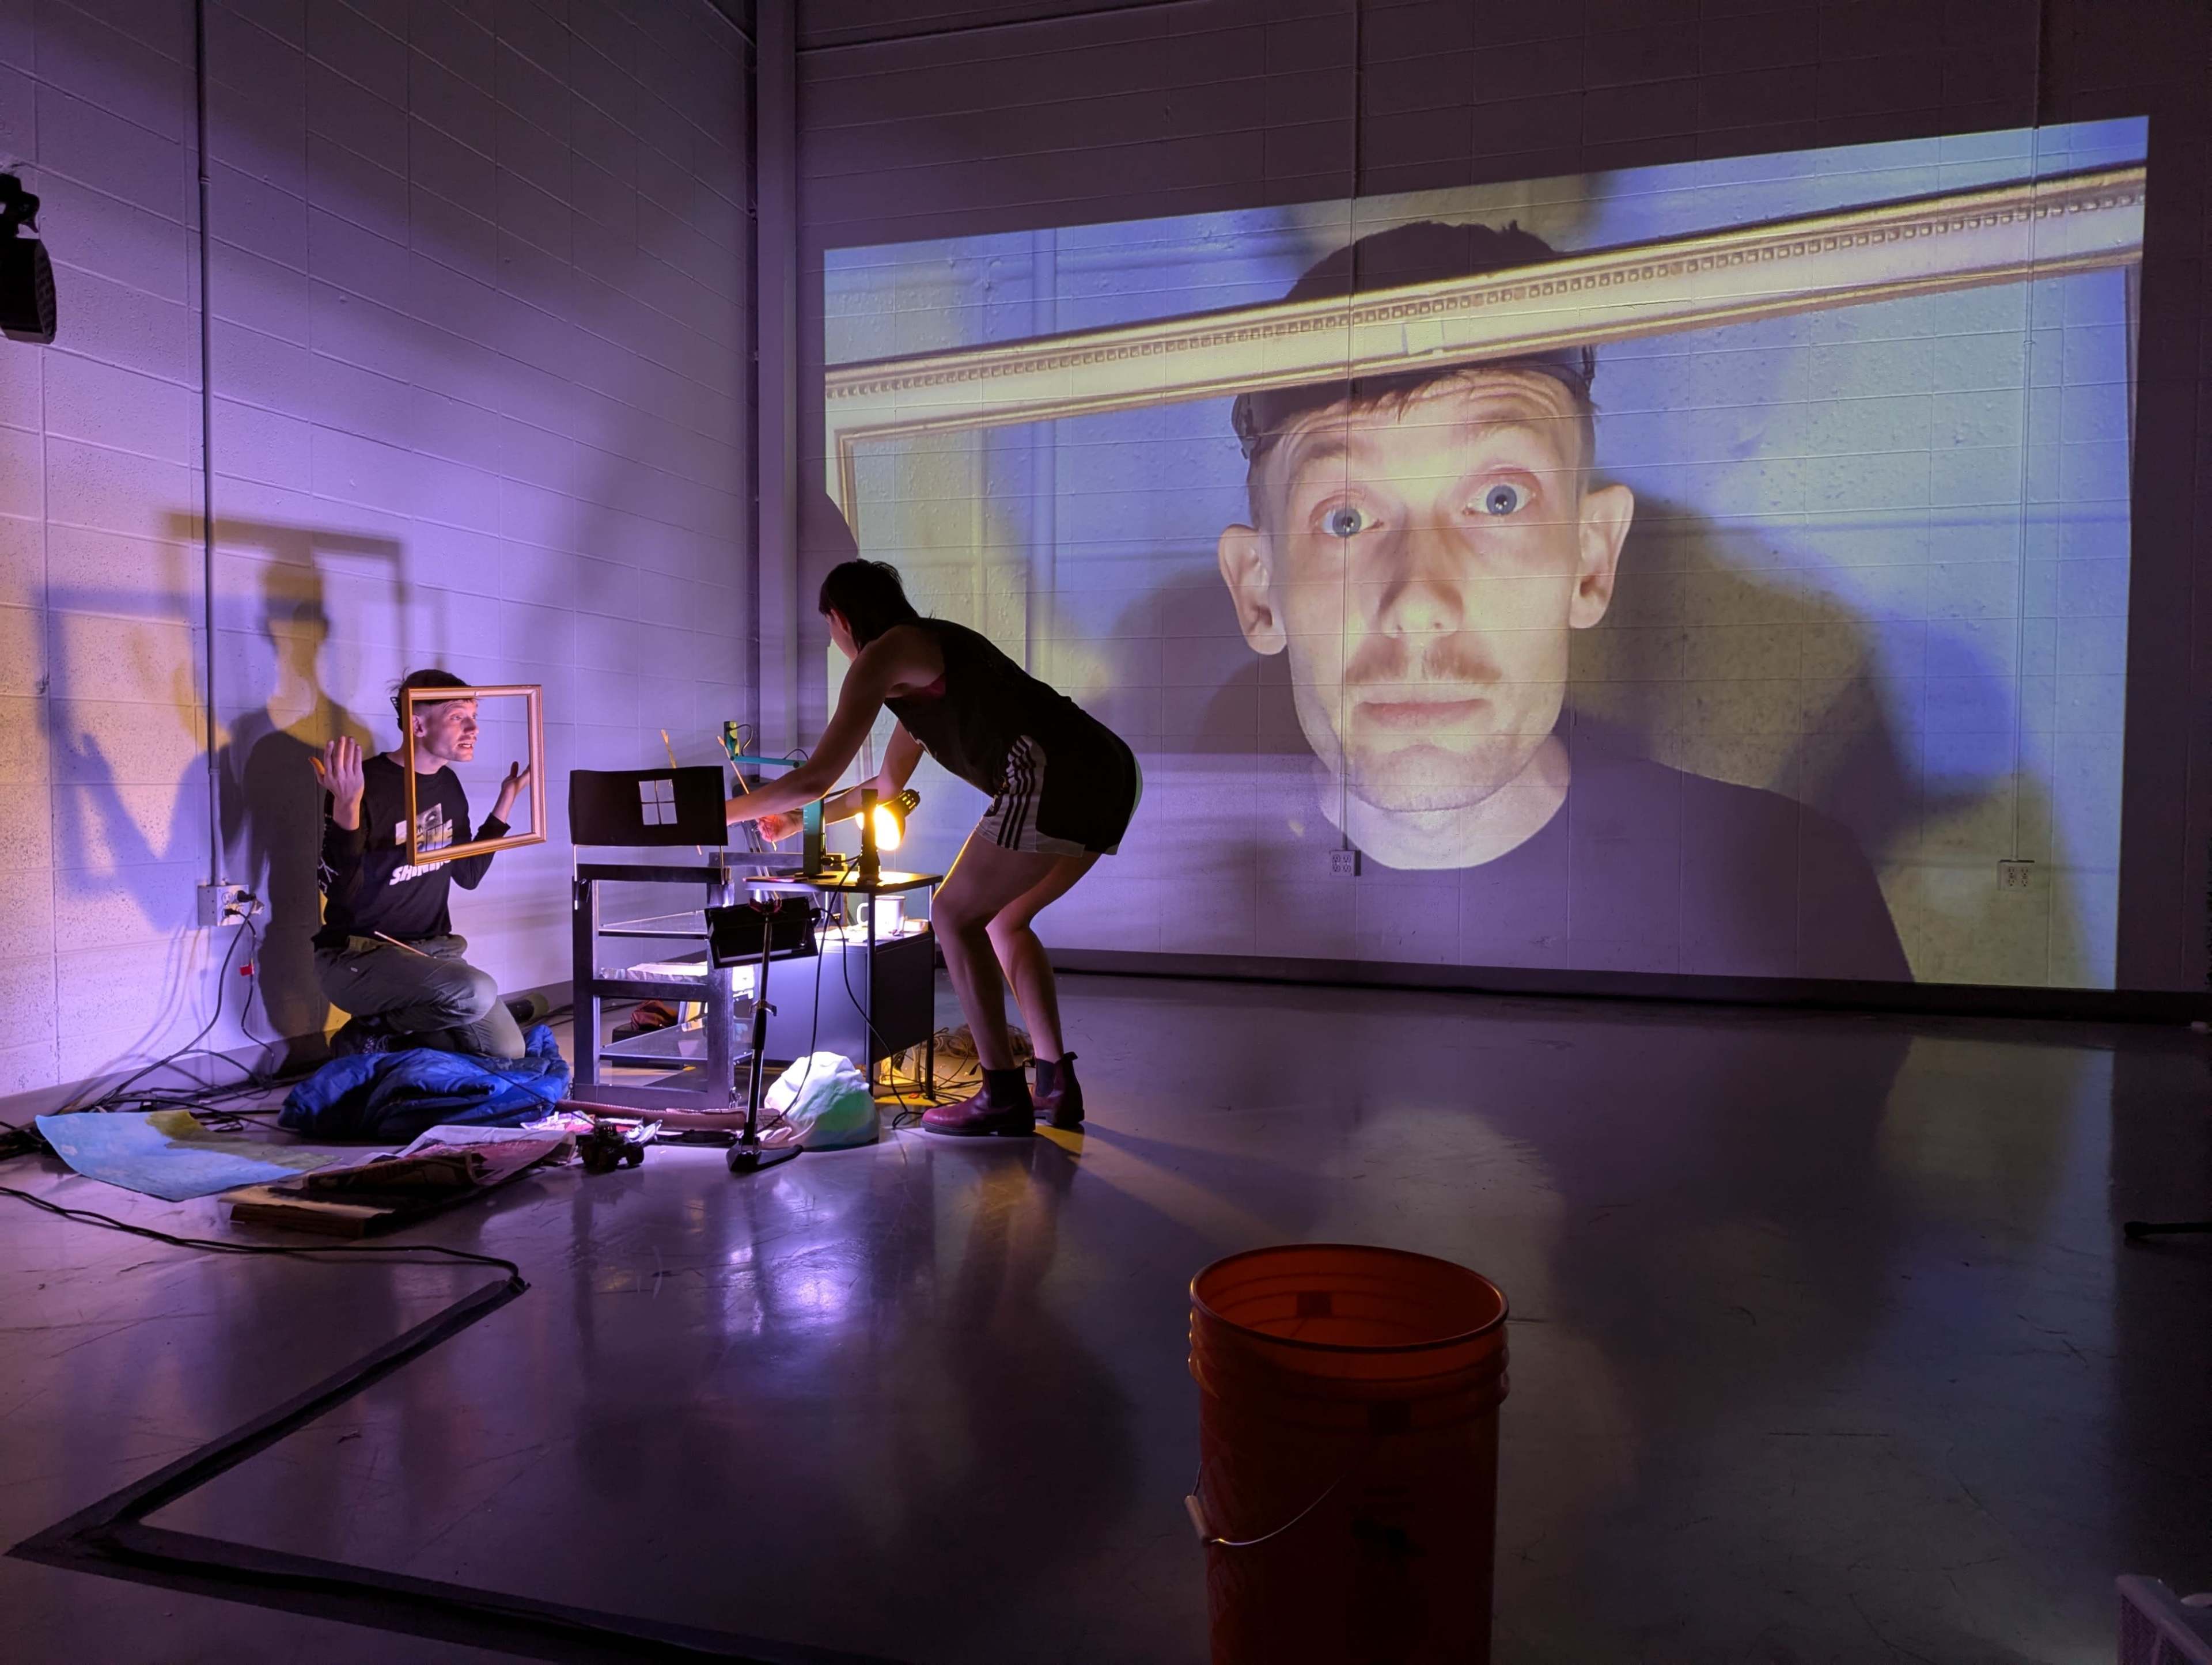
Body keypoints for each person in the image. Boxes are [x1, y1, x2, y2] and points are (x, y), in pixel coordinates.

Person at [1215, 221, 1909, 981]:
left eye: (1501, 500)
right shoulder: (1170, 893)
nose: (1418, 601)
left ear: (1592, 561)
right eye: (1346, 519)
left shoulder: (1787, 895)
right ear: (1258, 591)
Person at [728, 560, 1141, 1136]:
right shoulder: (924, 670)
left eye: (829, 627)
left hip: (1056, 771)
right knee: (1005, 922)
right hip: (1109, 769)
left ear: (841, 618)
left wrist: (720, 812)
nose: (834, 640)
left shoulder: (886, 652)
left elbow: (816, 774)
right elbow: (884, 787)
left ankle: (1001, 1094)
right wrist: (801, 820)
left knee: (951, 913)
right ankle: (1054, 1083)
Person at [311, 669, 535, 1057]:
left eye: (474, 716)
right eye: (457, 717)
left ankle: (390, 1036)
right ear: (418, 725)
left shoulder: (449, 785)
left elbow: (468, 874)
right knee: (477, 991)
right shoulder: (364, 784)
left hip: (431, 954)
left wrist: (506, 800)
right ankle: (367, 1031)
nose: (474, 728)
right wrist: (346, 807)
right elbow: (340, 893)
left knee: (508, 1050)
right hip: (359, 955)